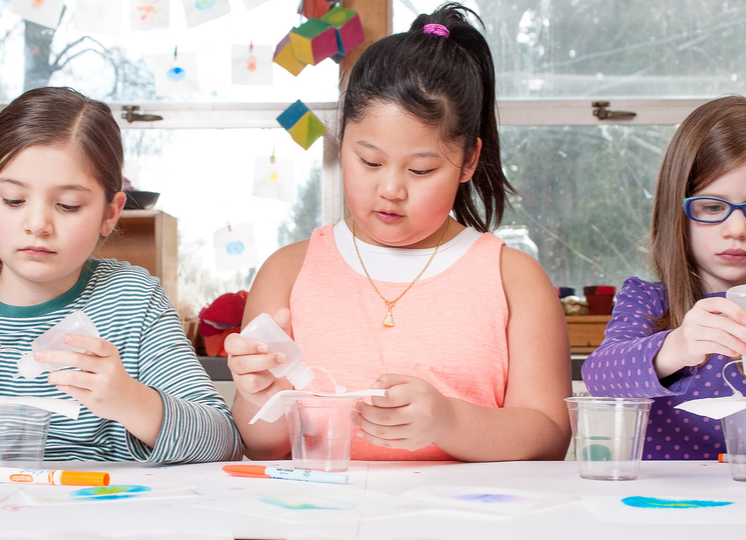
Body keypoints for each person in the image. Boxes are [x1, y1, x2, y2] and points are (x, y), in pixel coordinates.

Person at [226, 2, 572, 462]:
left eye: (422, 169)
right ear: (342, 139)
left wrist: (449, 421)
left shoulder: (514, 279)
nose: (390, 189)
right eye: (369, 161)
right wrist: (258, 394)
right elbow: (262, 447)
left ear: (469, 160)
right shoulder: (288, 272)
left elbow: (549, 438)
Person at [0, 87, 242, 463]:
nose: (37, 224)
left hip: (102, 514)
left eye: (68, 205)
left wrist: (131, 401)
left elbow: (225, 442)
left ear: (110, 213)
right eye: (14, 201)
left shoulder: (132, 300)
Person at [582, 95, 746, 460]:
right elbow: (599, 379)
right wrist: (675, 347)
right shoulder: (647, 300)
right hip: (671, 504)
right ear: (677, 209)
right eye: (713, 207)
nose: (737, 229)